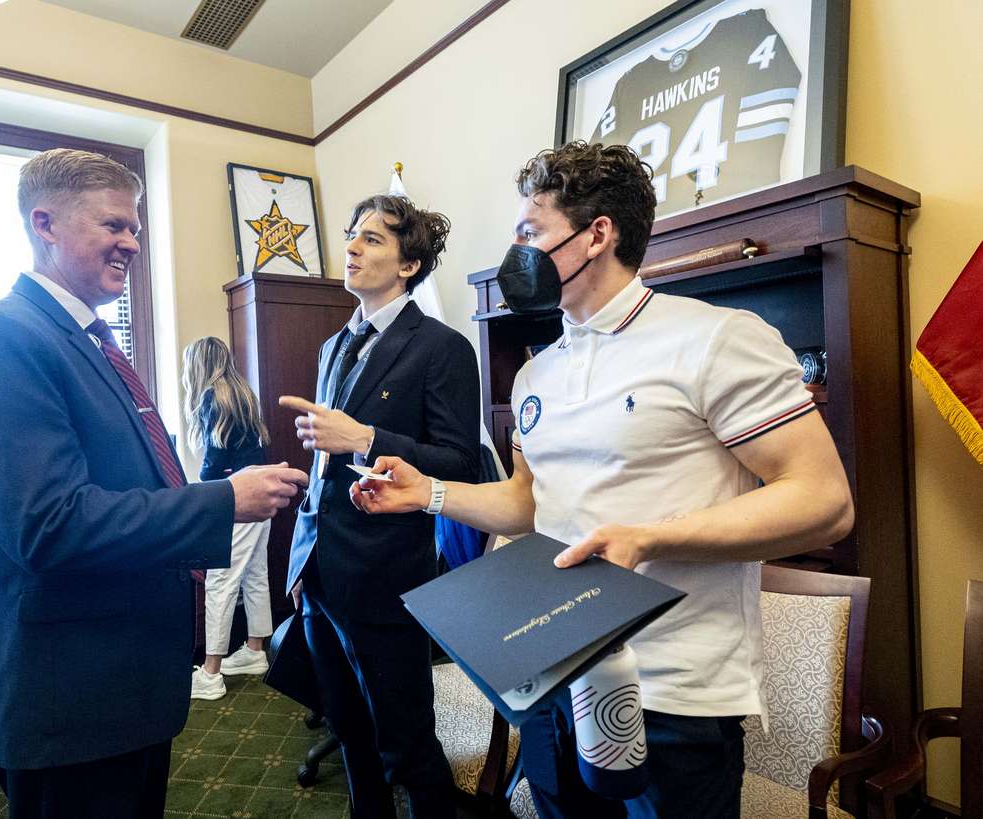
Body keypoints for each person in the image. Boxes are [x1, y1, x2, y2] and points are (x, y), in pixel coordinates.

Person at [351, 141, 856, 819]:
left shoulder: (716, 339)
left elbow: (824, 500)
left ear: (597, 234)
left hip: (671, 697)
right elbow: (529, 502)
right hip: (553, 677)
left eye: (531, 232)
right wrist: (429, 493)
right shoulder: (536, 373)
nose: (515, 251)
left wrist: (646, 538)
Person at [0, 148, 307, 819]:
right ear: (44, 222)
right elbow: (50, 524)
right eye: (114, 226)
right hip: (69, 705)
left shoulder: (90, 341)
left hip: (121, 693)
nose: (132, 242)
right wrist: (225, 499)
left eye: (135, 228)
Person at [279, 194, 481, 818]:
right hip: (319, 574)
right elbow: (324, 466)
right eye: (350, 236)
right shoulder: (334, 346)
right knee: (353, 744)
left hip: (386, 576)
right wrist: (298, 561)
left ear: (409, 264)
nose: (352, 247)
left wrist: (364, 438)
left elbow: (459, 463)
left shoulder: (442, 348)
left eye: (371, 239)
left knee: (406, 747)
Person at [182, 336, 274, 700]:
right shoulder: (243, 393)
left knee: (220, 581)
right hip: (262, 491)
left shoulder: (212, 398)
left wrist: (199, 482)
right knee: (255, 575)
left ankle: (211, 672)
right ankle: (254, 650)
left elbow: (211, 469)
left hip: (237, 497)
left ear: (199, 366)